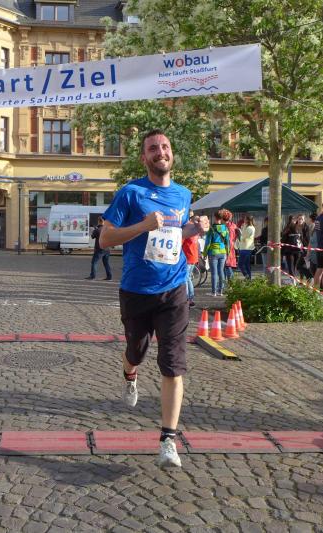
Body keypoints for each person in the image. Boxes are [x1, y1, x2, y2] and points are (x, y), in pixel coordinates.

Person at [99, 129, 196, 468]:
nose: (160, 152)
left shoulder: (184, 194)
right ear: (144, 158)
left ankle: (168, 440)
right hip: (137, 290)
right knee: (136, 352)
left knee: (173, 363)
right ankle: (130, 374)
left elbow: (175, 234)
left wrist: (193, 230)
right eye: (153, 148)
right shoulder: (131, 193)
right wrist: (142, 226)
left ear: (172, 153)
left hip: (174, 288)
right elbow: (105, 239)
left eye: (165, 146)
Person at [204, 210, 230, 297]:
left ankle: (213, 292)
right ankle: (220, 291)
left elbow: (207, 243)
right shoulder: (225, 228)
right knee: (221, 271)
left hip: (213, 252)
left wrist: (204, 254)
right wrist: (228, 252)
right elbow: (227, 242)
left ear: (214, 217)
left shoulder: (211, 229)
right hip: (223, 252)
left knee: (214, 273)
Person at [182, 216, 204, 307]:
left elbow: (180, 242)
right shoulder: (196, 230)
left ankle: (188, 298)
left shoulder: (188, 229)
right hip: (193, 256)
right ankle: (190, 298)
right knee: (188, 277)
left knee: (186, 278)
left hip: (187, 256)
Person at [86, 216, 113, 281]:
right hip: (107, 249)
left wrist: (94, 230)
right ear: (104, 221)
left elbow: (92, 236)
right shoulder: (107, 229)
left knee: (94, 262)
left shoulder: (97, 229)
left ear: (98, 221)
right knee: (106, 263)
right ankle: (109, 276)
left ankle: (92, 276)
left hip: (99, 249)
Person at [281, 215, 304, 280]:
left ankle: (293, 280)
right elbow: (301, 238)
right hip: (298, 249)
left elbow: (283, 239)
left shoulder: (287, 228)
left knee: (291, 266)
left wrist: (282, 250)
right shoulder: (298, 228)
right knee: (294, 266)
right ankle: (293, 279)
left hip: (289, 250)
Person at [237, 215, 255, 279]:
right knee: (247, 265)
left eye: (245, 219)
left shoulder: (250, 228)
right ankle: (249, 279)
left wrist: (240, 231)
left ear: (248, 220)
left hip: (246, 248)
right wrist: (242, 227)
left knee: (240, 264)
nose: (244, 220)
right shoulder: (247, 227)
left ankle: (246, 276)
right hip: (245, 247)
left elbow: (243, 237)